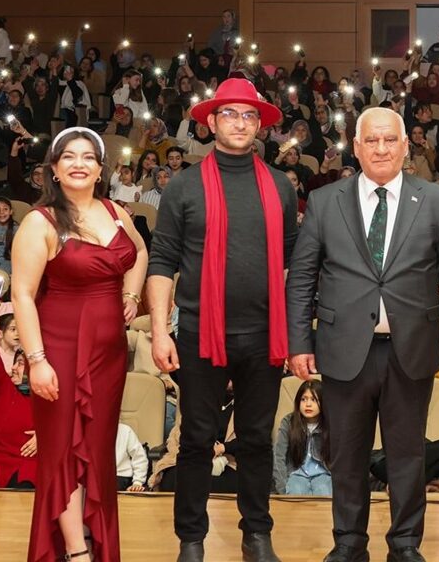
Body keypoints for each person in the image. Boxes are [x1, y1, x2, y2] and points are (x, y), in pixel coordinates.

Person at [286, 106, 439, 562]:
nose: (381, 148)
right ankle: (349, 544)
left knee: (407, 456)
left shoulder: (435, 200)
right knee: (346, 455)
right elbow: (302, 277)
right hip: (342, 348)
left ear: (406, 146)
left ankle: (405, 544)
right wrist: (299, 342)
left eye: (390, 139)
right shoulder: (326, 201)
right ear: (356, 147)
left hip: (411, 349)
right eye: (371, 140)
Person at [147, 78, 297, 562]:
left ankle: (257, 534)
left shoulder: (279, 186)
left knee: (255, 440)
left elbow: (292, 264)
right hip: (198, 334)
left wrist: (295, 332)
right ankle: (191, 540)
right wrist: (159, 331)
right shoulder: (184, 185)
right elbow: (162, 260)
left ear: (259, 126)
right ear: (211, 122)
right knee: (195, 439)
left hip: (264, 336)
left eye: (249, 115)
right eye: (229, 113)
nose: (240, 122)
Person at [11, 127, 148, 562]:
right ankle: (76, 552)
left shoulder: (115, 211)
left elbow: (140, 253)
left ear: (100, 169)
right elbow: (22, 295)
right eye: (68, 156)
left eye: (88, 157)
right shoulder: (40, 221)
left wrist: (131, 294)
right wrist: (37, 360)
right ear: (53, 168)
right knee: (62, 450)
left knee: (96, 451)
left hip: (109, 355)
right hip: (59, 349)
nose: (79, 164)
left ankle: (90, 539)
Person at [0, 299, 36, 489]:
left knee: (27, 484)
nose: (13, 368)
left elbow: (67, 427)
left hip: (25, 462)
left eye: (20, 364)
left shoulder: (46, 399)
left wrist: (45, 437)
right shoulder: (2, 386)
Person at [272, 379, 332, 496]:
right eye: (303, 399)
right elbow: (278, 456)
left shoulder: (330, 424)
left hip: (324, 474)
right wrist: (282, 488)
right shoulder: (288, 422)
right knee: (296, 493)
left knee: (323, 491)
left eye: (313, 400)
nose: (308, 404)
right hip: (295, 473)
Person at [114, 423, 148, 492]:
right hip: (94, 477)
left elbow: (139, 457)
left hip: (119, 476)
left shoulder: (125, 430)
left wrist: (137, 482)